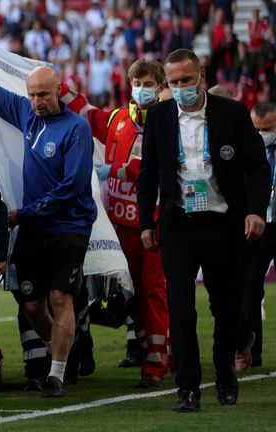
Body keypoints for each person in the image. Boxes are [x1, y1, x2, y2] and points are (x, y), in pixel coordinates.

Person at [0, 14, 96, 398]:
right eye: (32, 95)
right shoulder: (27, 116)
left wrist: (21, 214)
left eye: (43, 95)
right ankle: (66, 349)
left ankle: (57, 374)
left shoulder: (76, 128)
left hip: (68, 226)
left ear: (59, 90)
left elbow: (73, 188)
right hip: (34, 229)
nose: (36, 102)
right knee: (32, 305)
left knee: (60, 297)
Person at [136, 48, 270, 412]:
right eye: (174, 82)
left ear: (202, 78)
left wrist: (256, 211)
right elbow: (148, 176)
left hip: (224, 224)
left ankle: (224, 370)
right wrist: (146, 223)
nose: (180, 88)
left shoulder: (233, 113)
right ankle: (188, 388)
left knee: (226, 306)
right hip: (178, 225)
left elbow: (258, 168)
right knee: (179, 305)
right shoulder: (160, 117)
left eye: (186, 80)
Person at [63, 59, 172, 388]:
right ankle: (147, 347)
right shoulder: (118, 119)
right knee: (128, 294)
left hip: (152, 223)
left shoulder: (168, 121)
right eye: (138, 82)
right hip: (120, 226)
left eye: (149, 83)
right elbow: (86, 113)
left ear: (160, 85)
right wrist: (60, 90)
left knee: (153, 292)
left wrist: (117, 171)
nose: (142, 89)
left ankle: (156, 364)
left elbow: (157, 164)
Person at [241, 101, 276, 370]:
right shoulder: (245, 151)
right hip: (257, 225)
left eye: (269, 128)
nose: (263, 133)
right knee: (251, 288)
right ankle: (254, 353)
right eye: (257, 129)